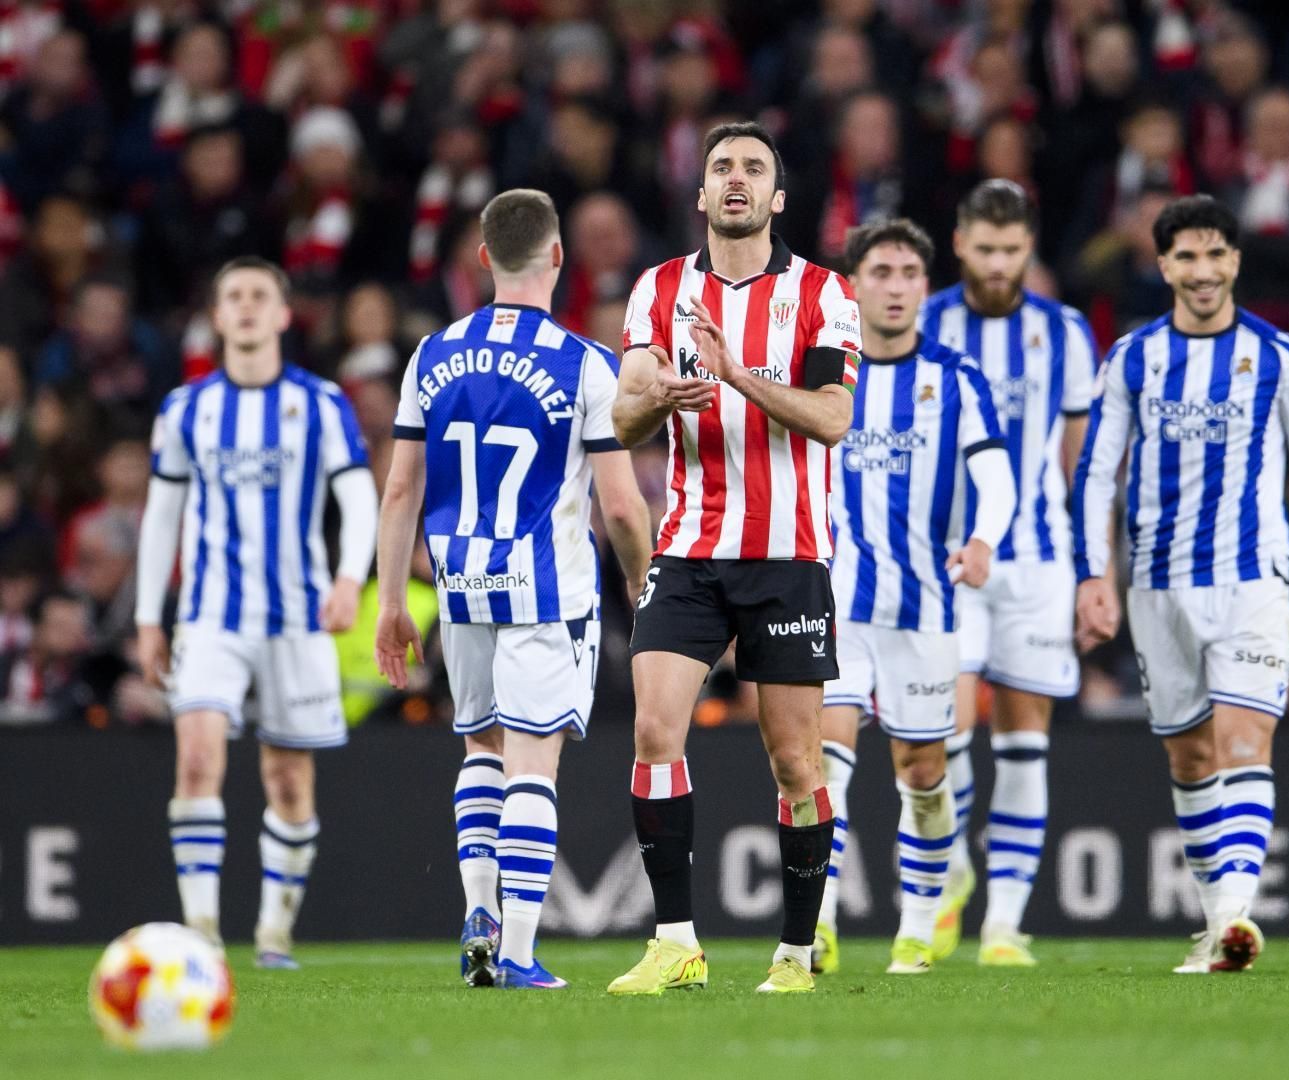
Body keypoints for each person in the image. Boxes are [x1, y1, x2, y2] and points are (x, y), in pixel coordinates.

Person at [1071, 195, 1289, 974]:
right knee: (1191, 759)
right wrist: (1092, 577)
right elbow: (1097, 473)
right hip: (1157, 587)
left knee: (1243, 743)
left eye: (1215, 255)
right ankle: (1218, 926)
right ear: (1163, 265)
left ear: (1235, 260)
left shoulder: (1276, 357)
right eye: (1186, 257)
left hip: (1253, 580)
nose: (1202, 271)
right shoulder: (1133, 358)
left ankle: (1235, 916)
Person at [372, 189, 653, 990]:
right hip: (546, 591)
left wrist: (395, 602)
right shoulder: (584, 364)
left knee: (480, 752)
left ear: (483, 258)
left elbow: (401, 492)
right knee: (534, 766)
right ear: (559, 257)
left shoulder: (431, 354)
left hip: (460, 586)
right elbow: (622, 503)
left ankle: (478, 912)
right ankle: (522, 950)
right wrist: (640, 579)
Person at [607, 121, 861, 996]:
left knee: (796, 761)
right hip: (688, 549)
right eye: (723, 168)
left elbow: (832, 418)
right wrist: (662, 396)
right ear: (703, 194)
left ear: (778, 197)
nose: (738, 179)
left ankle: (794, 954)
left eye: (755, 167)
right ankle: (675, 941)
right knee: (652, 727)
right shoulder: (659, 289)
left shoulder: (826, 294)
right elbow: (625, 416)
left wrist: (736, 372)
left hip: (789, 555)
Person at [133, 256, 377, 968]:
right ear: (217, 316)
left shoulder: (321, 401)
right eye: (232, 296)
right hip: (211, 615)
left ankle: (274, 931)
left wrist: (348, 578)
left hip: (298, 617)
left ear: (280, 315)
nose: (244, 306)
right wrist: (152, 616)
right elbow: (162, 515)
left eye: (258, 296)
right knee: (199, 756)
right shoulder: (187, 408)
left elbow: (358, 493)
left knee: (289, 781)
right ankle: (203, 932)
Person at [814, 218, 1014, 976]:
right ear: (853, 285)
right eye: (881, 273)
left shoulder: (956, 379)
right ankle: (820, 926)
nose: (895, 287)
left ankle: (916, 930)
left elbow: (996, 477)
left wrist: (985, 538)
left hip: (928, 606)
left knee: (923, 772)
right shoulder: (821, 375)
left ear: (925, 287)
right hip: (836, 604)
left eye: (908, 274)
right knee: (822, 765)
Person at [918, 179, 1099, 965]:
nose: (997, 265)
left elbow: (1080, 464)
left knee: (1025, 740)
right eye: (985, 249)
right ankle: (954, 870)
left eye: (1012, 250)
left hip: (1038, 561)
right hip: (945, 562)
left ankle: (1004, 926)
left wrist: (1094, 571)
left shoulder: (1065, 333)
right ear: (959, 242)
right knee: (944, 736)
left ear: (1030, 248)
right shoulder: (924, 323)